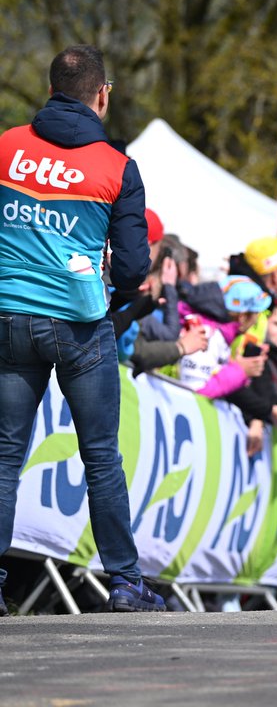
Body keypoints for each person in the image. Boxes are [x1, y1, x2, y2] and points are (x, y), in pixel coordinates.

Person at [0, 44, 164, 612]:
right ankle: (124, 581)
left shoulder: (5, 147)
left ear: (49, 91)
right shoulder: (118, 166)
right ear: (103, 95)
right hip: (80, 323)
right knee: (100, 457)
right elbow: (135, 267)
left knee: (3, 456)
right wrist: (111, 297)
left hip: (11, 316)